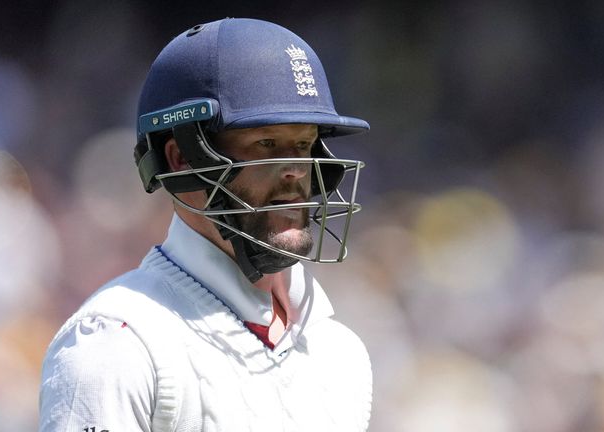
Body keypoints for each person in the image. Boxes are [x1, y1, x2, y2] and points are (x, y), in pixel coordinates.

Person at [39, 17, 372, 431]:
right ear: (182, 159)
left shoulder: (338, 352)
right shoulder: (118, 341)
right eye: (266, 143)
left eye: (303, 144)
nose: (295, 171)